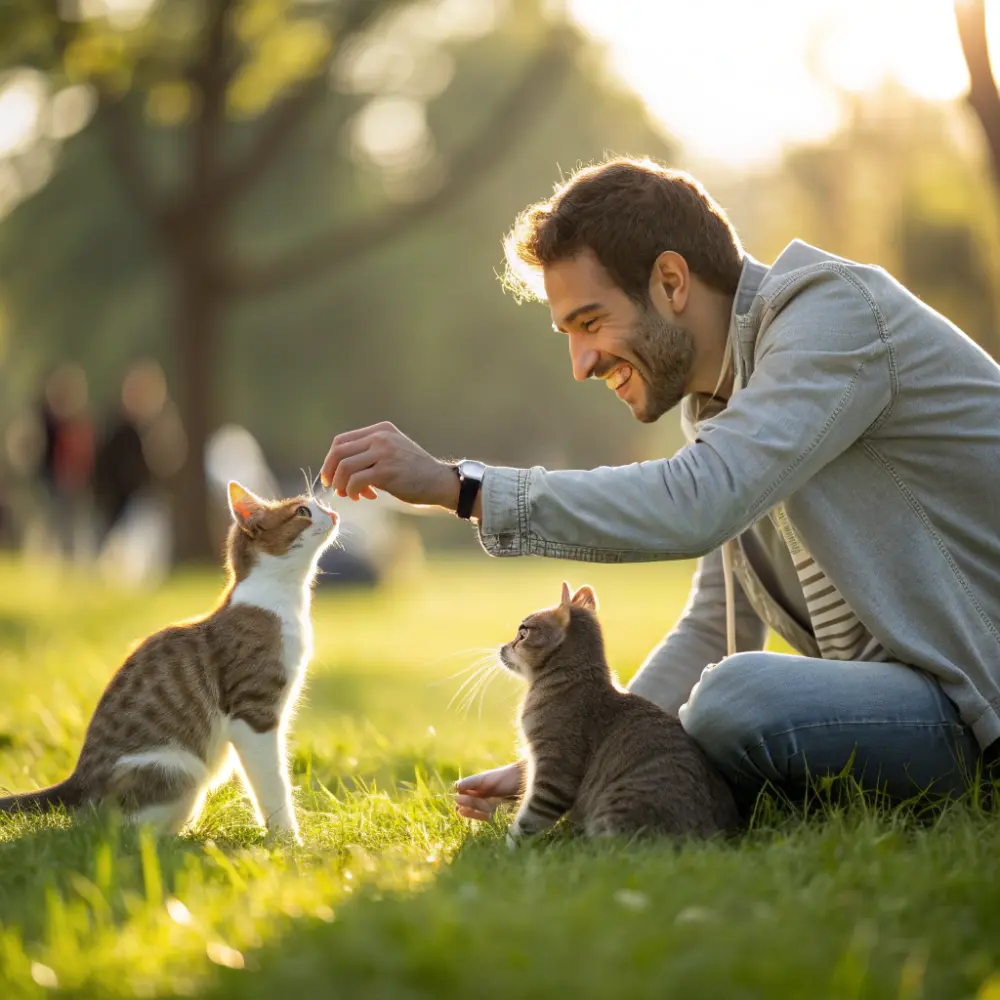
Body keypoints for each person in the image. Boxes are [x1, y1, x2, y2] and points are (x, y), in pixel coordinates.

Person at [321, 156, 1000, 820]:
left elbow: (698, 500)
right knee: (730, 694)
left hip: (977, 701)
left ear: (671, 281)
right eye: (568, 334)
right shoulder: (717, 400)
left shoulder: (833, 320)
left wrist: (461, 488)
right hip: (923, 703)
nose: (582, 363)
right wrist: (584, 752)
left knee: (738, 699)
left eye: (590, 323)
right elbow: (715, 620)